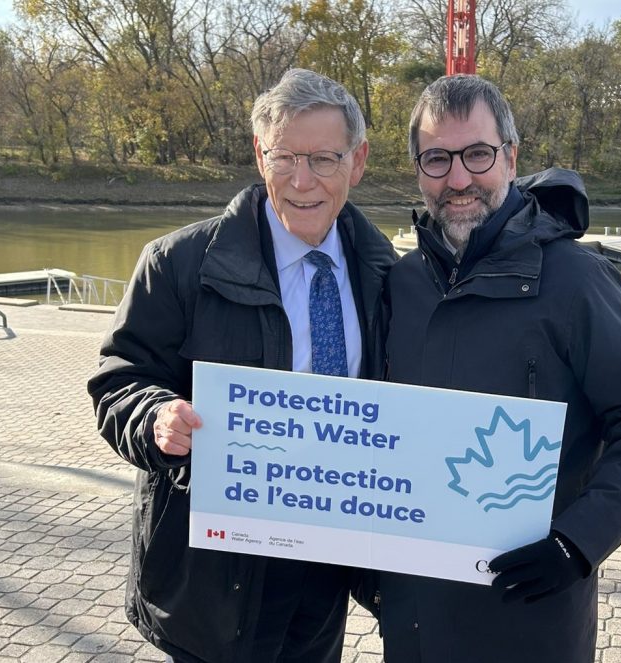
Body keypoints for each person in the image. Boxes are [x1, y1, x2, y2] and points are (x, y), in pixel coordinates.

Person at [87, 68, 395, 663]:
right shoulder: (177, 265)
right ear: (260, 154)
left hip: (326, 564)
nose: (303, 181)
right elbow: (118, 377)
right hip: (212, 574)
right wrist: (154, 417)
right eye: (285, 157)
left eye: (325, 160)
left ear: (357, 162)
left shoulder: (388, 277)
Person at [375, 74, 621, 662]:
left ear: (511, 158)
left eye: (477, 154)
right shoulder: (402, 283)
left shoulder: (577, 281)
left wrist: (578, 542)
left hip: (528, 612)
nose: (458, 178)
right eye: (436, 159)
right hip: (413, 617)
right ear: (417, 168)